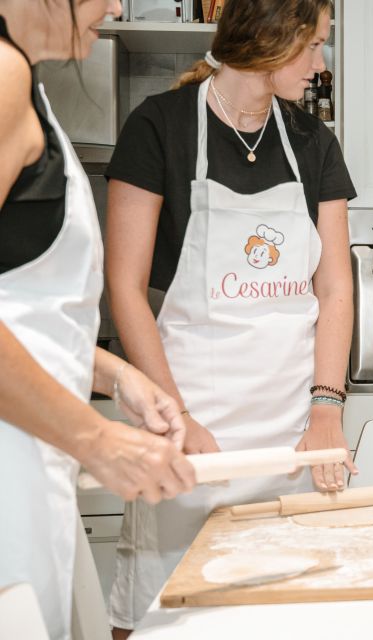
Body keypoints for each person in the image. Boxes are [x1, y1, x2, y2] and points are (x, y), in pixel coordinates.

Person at [104, 0, 356, 634]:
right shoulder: (159, 126)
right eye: (315, 46)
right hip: (194, 434)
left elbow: (334, 287)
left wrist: (326, 406)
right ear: (273, 39)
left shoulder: (312, 141)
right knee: (165, 616)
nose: (320, 64)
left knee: (287, 615)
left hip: (293, 438)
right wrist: (177, 415)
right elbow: (125, 286)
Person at [0, 2, 196, 638]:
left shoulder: (26, 84)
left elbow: (24, 309)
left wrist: (118, 377)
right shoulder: (2, 80)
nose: (116, 6)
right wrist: (98, 439)